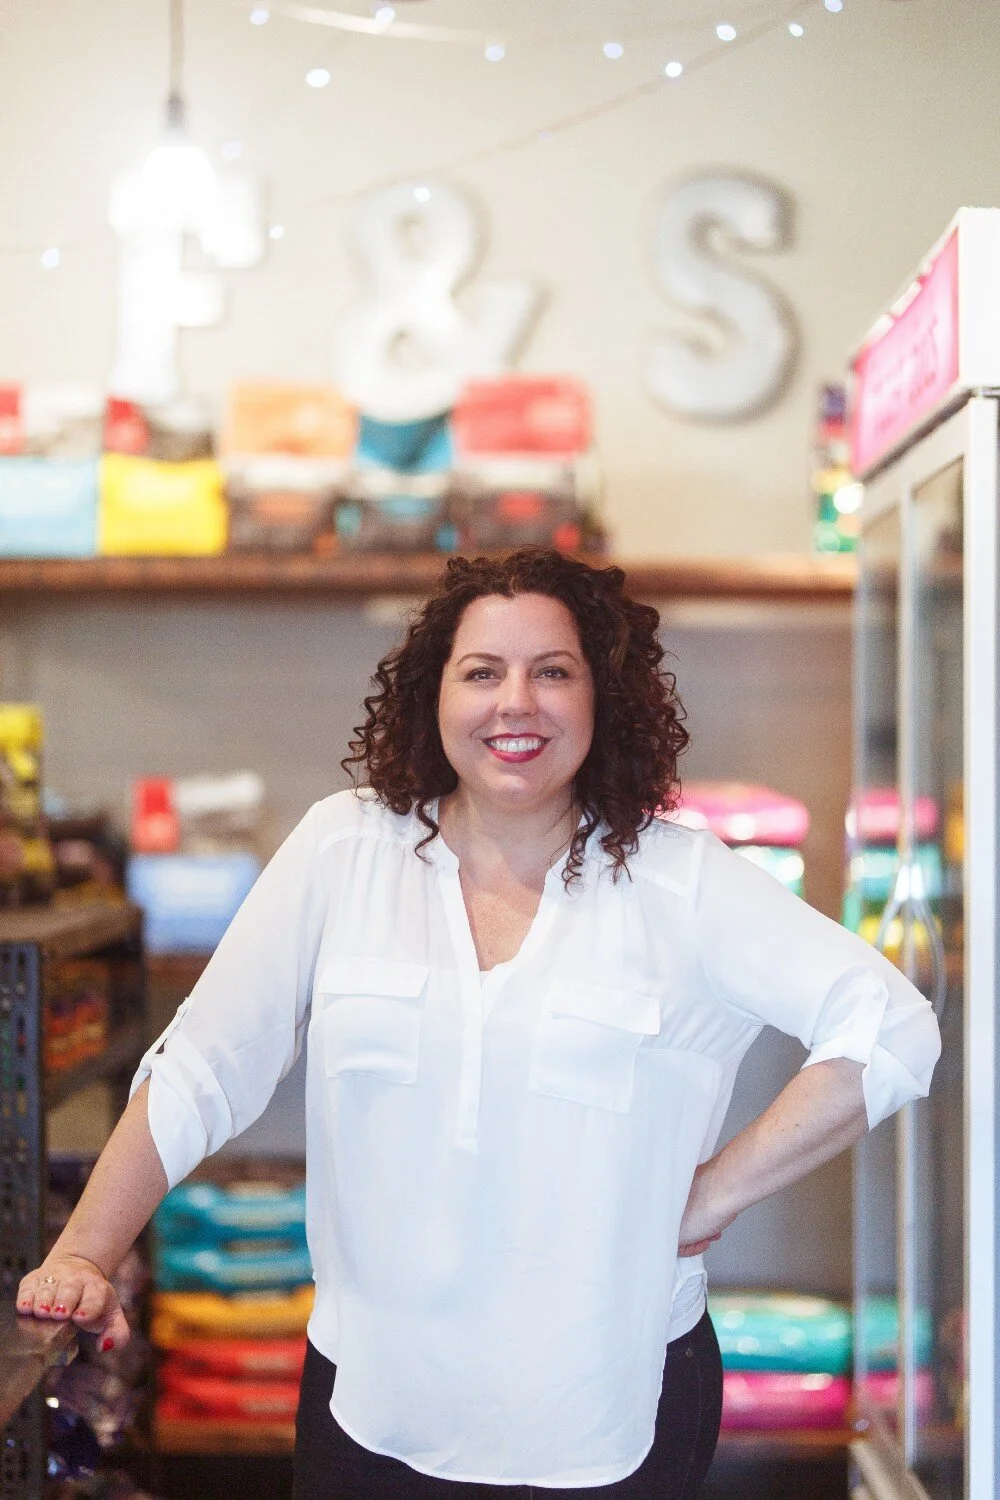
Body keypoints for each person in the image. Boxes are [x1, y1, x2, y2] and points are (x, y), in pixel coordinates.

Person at [18, 548, 940, 1500]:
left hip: (614, 1399)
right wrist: (85, 1251)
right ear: (435, 695)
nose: (516, 704)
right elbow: (203, 1065)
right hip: (372, 1401)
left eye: (554, 672)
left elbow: (892, 1028)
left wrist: (712, 1194)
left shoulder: (680, 881)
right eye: (483, 672)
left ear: (603, 696)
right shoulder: (346, 848)